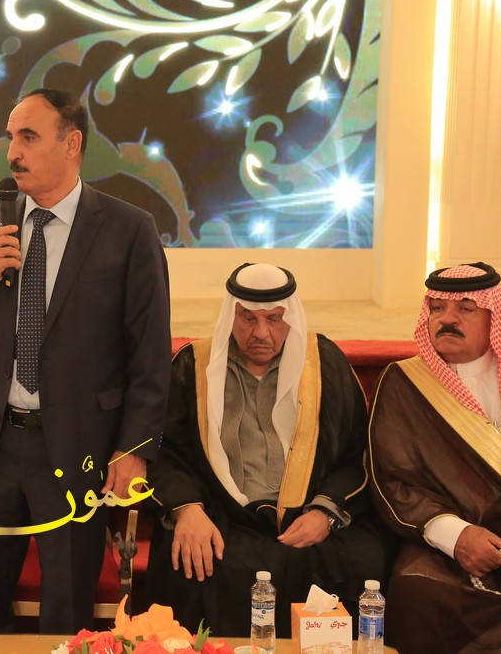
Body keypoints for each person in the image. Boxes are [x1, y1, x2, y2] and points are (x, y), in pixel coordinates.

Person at [0, 88, 172, 633]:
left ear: (72, 144)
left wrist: (133, 449)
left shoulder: (128, 230)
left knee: (67, 611)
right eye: (10, 137)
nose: (12, 152)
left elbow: (150, 354)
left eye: (28, 137)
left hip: (76, 445)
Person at [145, 263, 395, 638]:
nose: (261, 333)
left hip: (308, 514)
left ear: (289, 317)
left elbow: (358, 454)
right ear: (231, 316)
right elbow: (165, 451)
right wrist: (187, 509)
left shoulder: (323, 364)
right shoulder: (194, 367)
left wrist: (325, 513)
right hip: (224, 517)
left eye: (274, 319)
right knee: (191, 560)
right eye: (248, 318)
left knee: (364, 558)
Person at [369, 262, 501, 652]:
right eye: (437, 308)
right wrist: (457, 537)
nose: (447, 319)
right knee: (417, 592)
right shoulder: (403, 382)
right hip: (443, 544)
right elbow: (394, 481)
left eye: (465, 309)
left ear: (494, 317)